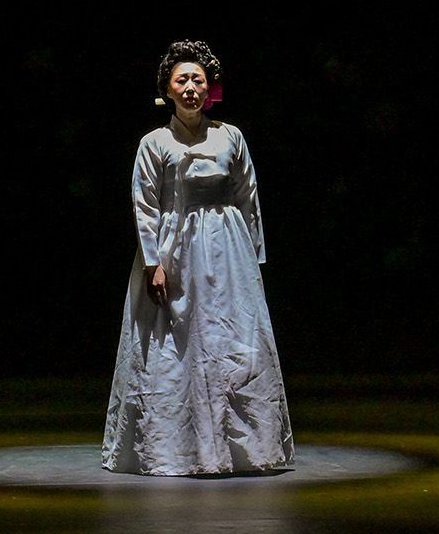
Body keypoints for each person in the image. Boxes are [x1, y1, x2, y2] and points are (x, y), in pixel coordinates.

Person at [101, 40, 294, 476]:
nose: (191, 88)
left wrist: (253, 261)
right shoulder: (154, 142)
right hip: (176, 250)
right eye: (182, 80)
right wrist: (153, 263)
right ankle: (174, 448)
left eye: (198, 80)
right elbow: (145, 205)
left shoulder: (230, 136)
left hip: (227, 251)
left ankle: (239, 449)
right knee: (175, 347)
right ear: (167, 88)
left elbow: (248, 196)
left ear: (210, 88)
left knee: (231, 341)